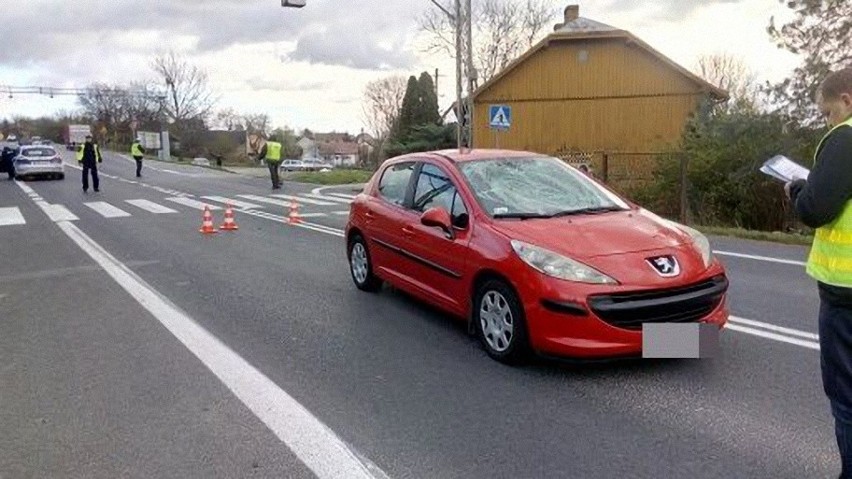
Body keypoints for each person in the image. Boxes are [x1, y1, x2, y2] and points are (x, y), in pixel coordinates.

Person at [786, 67, 852, 478]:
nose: (829, 122)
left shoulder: (845, 139)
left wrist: (797, 191)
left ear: (845, 100)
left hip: (846, 295)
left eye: (828, 113)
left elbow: (815, 208)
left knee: (846, 397)